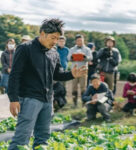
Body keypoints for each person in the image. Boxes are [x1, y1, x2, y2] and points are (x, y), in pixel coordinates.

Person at [7, 18, 87, 150]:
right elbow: (15, 75)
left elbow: (58, 74)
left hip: (47, 99)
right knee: (22, 139)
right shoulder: (25, 48)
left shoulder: (53, 53)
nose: (55, 41)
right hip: (29, 98)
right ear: (42, 33)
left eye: (58, 38)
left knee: (43, 137)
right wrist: (13, 99)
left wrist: (72, 74)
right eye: (52, 38)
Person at [68, 34, 93, 107]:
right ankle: (74, 103)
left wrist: (84, 56)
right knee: (74, 87)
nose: (80, 42)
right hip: (74, 70)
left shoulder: (87, 49)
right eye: (78, 41)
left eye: (81, 40)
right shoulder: (72, 49)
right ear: (76, 41)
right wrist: (73, 56)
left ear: (83, 40)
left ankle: (83, 103)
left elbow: (91, 58)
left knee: (83, 87)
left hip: (83, 70)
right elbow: (68, 58)